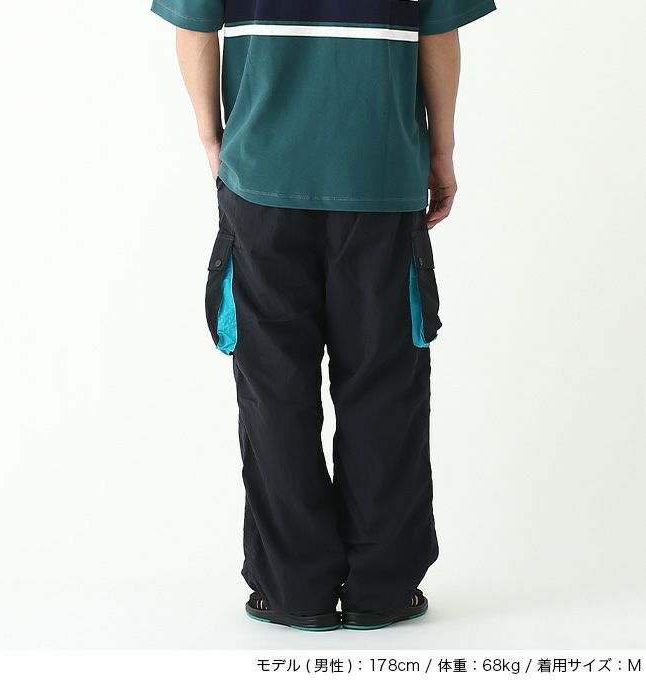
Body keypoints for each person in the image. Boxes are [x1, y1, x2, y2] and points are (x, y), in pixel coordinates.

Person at [151, 0, 496, 631]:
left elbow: (194, 28)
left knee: (274, 389)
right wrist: (441, 150)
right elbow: (438, 35)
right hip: (381, 174)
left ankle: (292, 589)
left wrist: (212, 137)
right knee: (384, 384)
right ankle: (383, 589)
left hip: (261, 177)